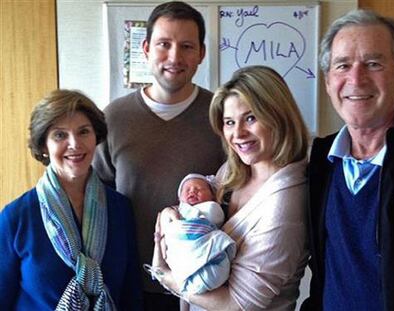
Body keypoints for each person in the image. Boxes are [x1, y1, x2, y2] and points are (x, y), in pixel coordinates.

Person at [93, 1, 224, 309]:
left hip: (204, 286)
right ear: (146, 48)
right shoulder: (113, 118)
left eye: (187, 46)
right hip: (130, 285)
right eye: (164, 44)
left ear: (201, 54)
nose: (175, 57)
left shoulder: (222, 116)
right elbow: (97, 200)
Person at [151, 65, 310, 310]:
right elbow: (194, 209)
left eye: (250, 118)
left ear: (278, 115)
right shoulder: (233, 172)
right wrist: (171, 214)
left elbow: (238, 304)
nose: (238, 134)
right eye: (229, 122)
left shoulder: (286, 201)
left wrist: (166, 276)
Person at [301, 9, 394, 311]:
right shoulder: (319, 162)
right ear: (327, 82)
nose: (356, 79)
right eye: (342, 65)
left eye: (373, 64)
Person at [0, 89, 143, 310]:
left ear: (96, 137)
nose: (75, 144)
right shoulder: (17, 217)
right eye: (60, 135)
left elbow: (131, 294)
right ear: (43, 146)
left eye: (84, 132)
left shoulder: (120, 208)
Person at [151, 173, 236, 297]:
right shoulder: (175, 211)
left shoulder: (212, 208)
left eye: (199, 189)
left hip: (208, 260)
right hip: (182, 258)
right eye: (187, 190)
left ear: (213, 196)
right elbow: (169, 230)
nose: (192, 191)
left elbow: (213, 217)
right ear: (180, 199)